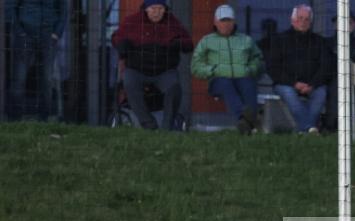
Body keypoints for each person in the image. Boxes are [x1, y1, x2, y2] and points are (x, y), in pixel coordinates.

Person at [111, 0, 193, 131]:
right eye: (153, 9)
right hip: (137, 69)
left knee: (174, 86)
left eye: (161, 9)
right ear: (146, 9)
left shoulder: (172, 22)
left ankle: (167, 127)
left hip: (164, 71)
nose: (157, 12)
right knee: (129, 81)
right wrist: (121, 43)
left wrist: (179, 43)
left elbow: (188, 43)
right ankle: (148, 123)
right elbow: (116, 37)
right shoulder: (132, 21)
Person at [191, 5, 264, 134]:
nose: (226, 24)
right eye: (222, 21)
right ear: (215, 22)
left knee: (248, 83)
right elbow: (195, 66)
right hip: (218, 80)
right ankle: (245, 117)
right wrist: (212, 70)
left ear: (234, 22)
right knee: (225, 83)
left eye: (229, 21)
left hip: (242, 77)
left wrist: (251, 69)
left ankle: (245, 125)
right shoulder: (207, 41)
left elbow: (258, 59)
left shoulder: (246, 40)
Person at [267, 4, 332, 134]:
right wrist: (294, 83)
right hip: (286, 83)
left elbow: (326, 66)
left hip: (313, 84)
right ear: (292, 20)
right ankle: (310, 128)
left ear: (311, 22)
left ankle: (304, 129)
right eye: (300, 18)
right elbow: (273, 68)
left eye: (307, 19)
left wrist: (312, 84)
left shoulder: (319, 42)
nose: (303, 22)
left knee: (321, 93)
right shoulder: (280, 40)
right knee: (289, 94)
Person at [8, 0, 67, 121]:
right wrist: (19, 32)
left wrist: (56, 33)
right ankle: (15, 120)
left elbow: (63, 9)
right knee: (19, 78)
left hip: (48, 34)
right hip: (25, 34)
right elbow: (11, 7)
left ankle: (43, 120)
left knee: (47, 79)